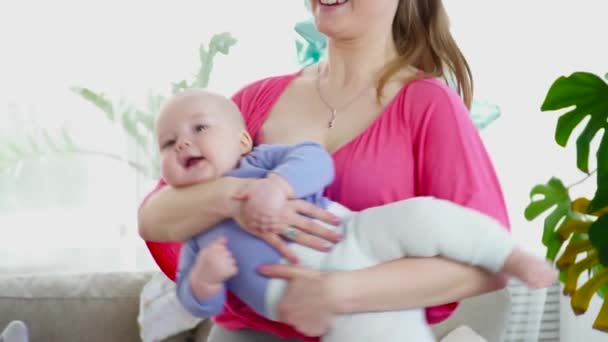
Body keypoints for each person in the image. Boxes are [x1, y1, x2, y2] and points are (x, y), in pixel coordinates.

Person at [139, 0, 519, 341]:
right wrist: (236, 199)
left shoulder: (428, 105)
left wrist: (340, 291)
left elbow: (489, 263)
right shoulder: (256, 99)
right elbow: (154, 216)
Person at [153, 89, 556, 341]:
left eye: (199, 128)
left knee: (421, 216)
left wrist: (277, 186)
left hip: (351, 232)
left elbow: (314, 160)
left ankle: (508, 254)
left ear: (243, 139)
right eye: (168, 143)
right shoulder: (197, 229)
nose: (183, 142)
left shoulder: (263, 159)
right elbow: (193, 295)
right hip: (296, 299)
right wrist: (205, 280)